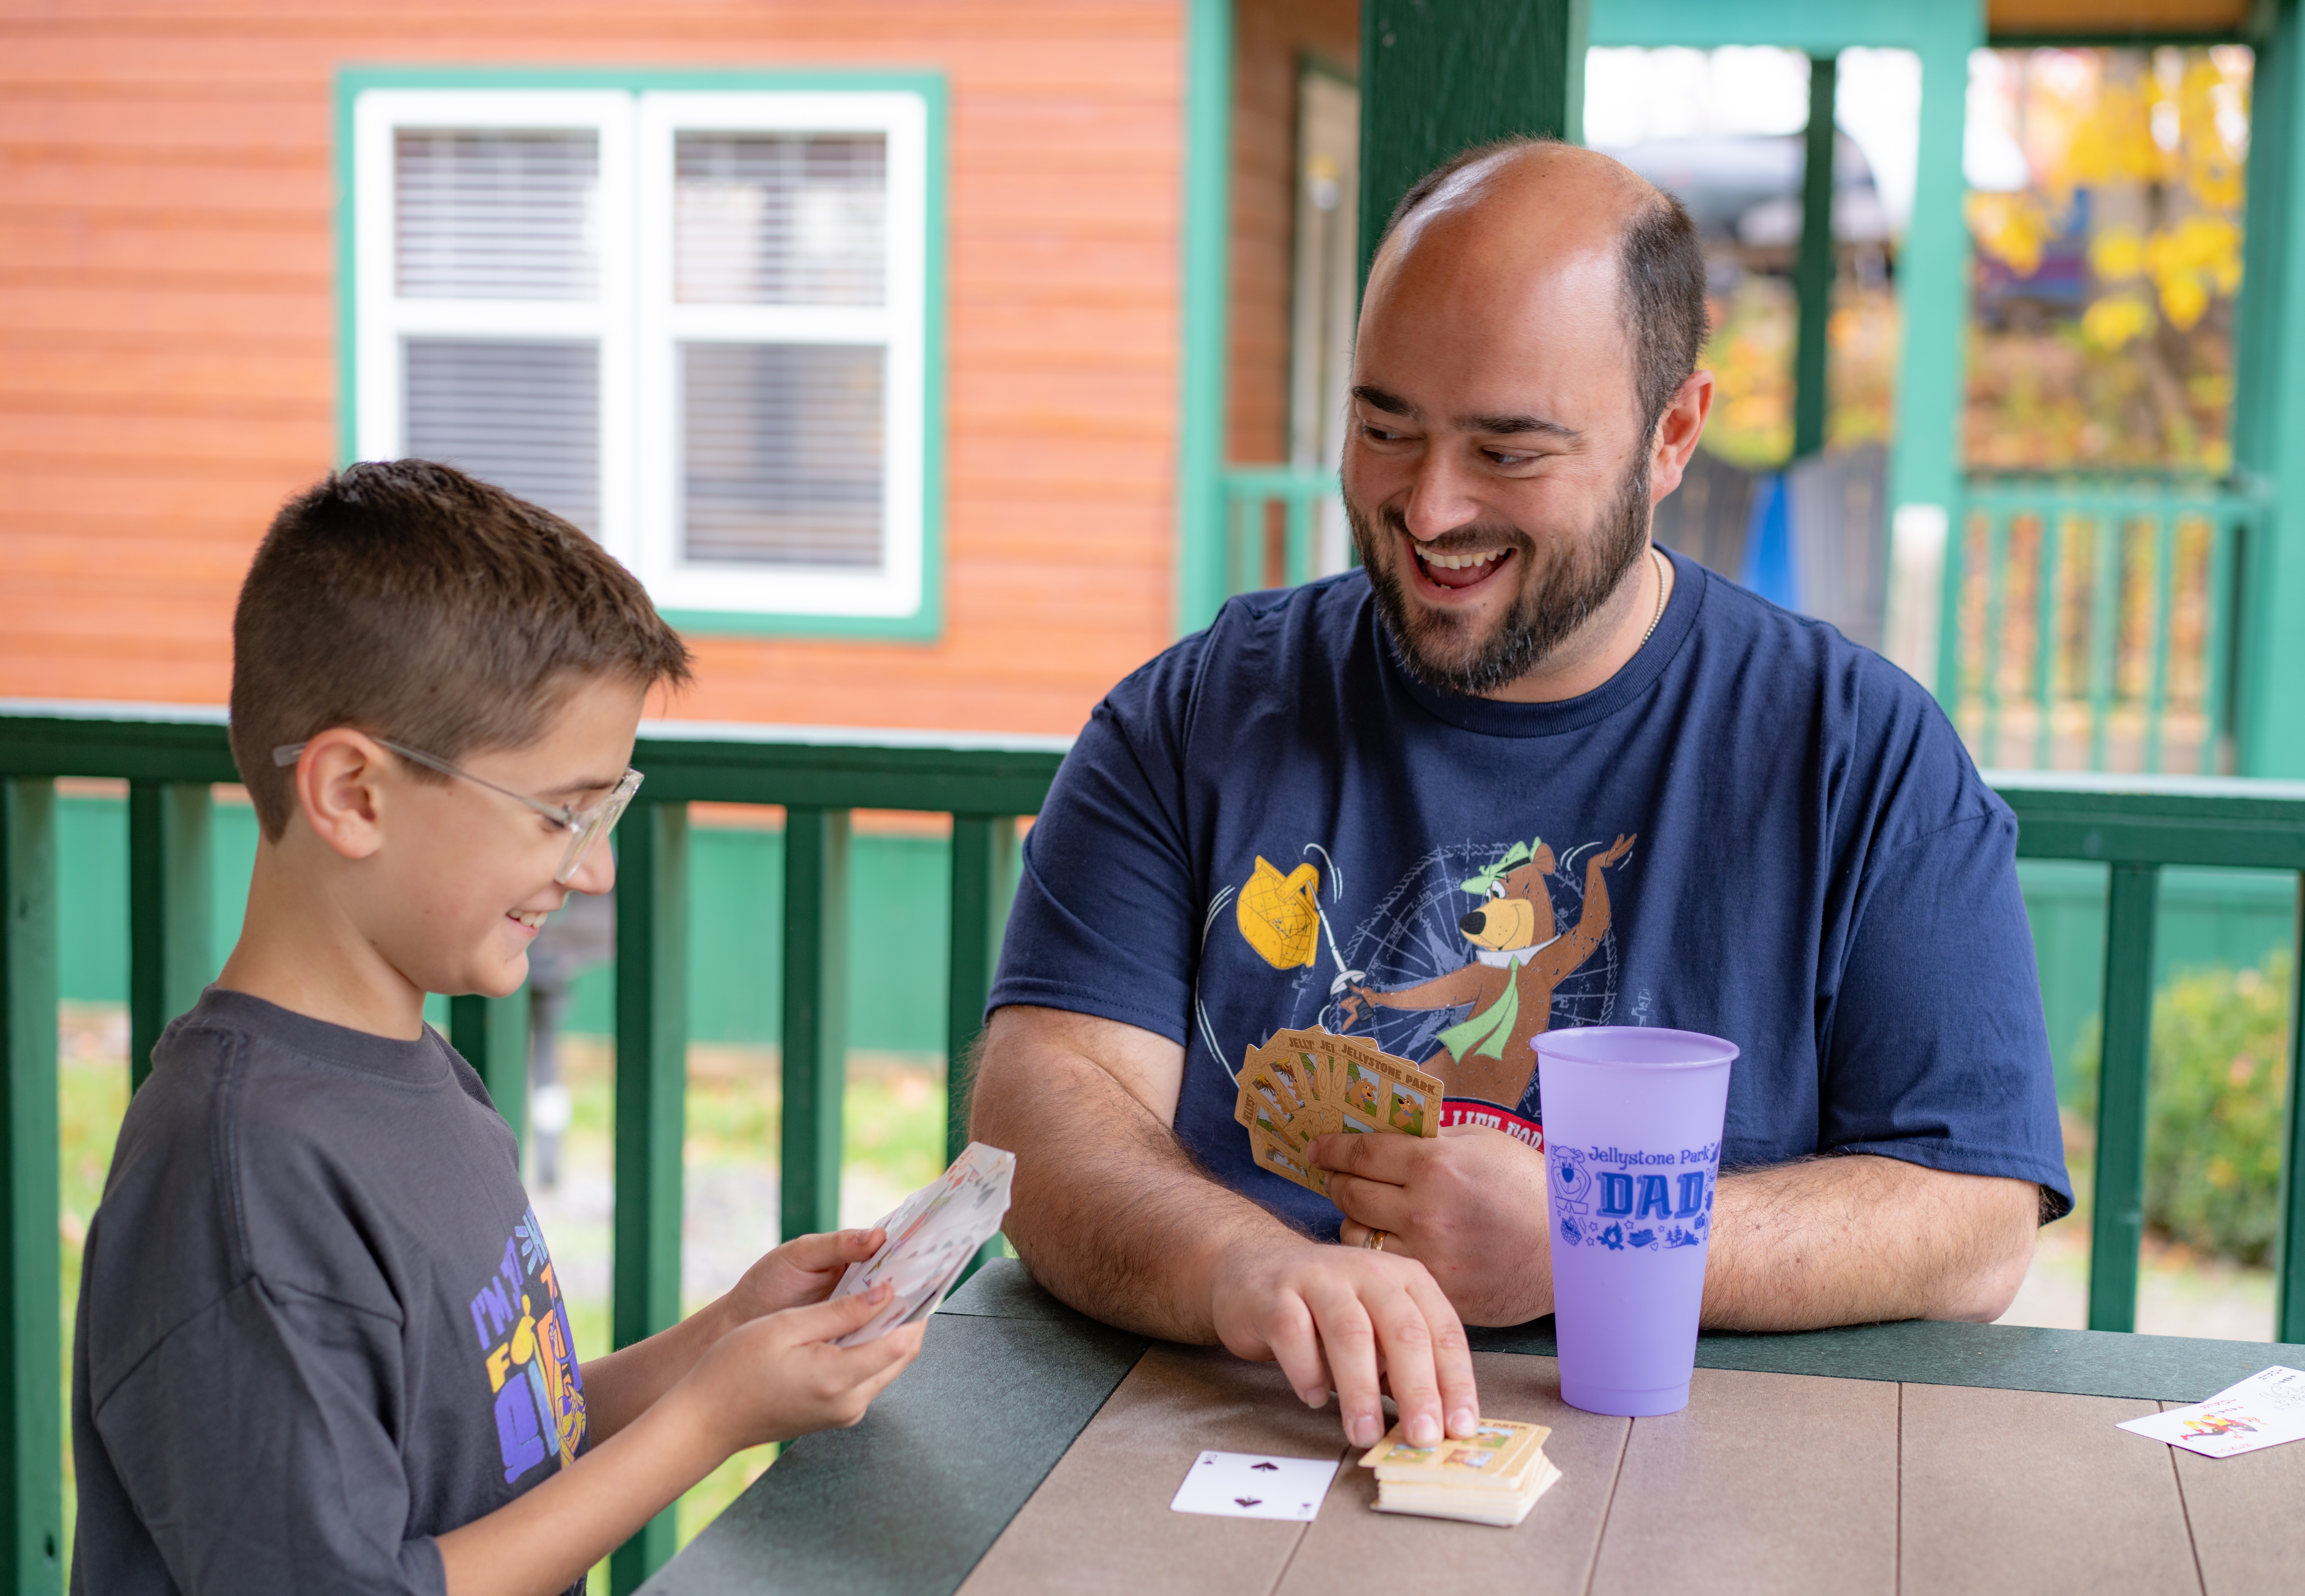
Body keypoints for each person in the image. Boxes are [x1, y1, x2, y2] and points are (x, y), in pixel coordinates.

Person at [970, 140, 2070, 1456]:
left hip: (1706, 1496)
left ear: (1672, 435)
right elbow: (1043, 1104)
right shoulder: (1193, 715)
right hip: (1230, 1458)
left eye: (1507, 450)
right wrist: (1242, 1265)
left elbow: (1973, 1218)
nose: (1430, 507)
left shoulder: (1865, 752)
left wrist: (1585, 1236)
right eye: (1385, 427)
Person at [71, 462, 925, 1595]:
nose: (596, 868)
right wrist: (713, 1422)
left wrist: (720, 1340)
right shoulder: (238, 1182)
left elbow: (512, 1443)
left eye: (607, 810)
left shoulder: (421, 1075)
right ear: (354, 797)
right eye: (562, 814)